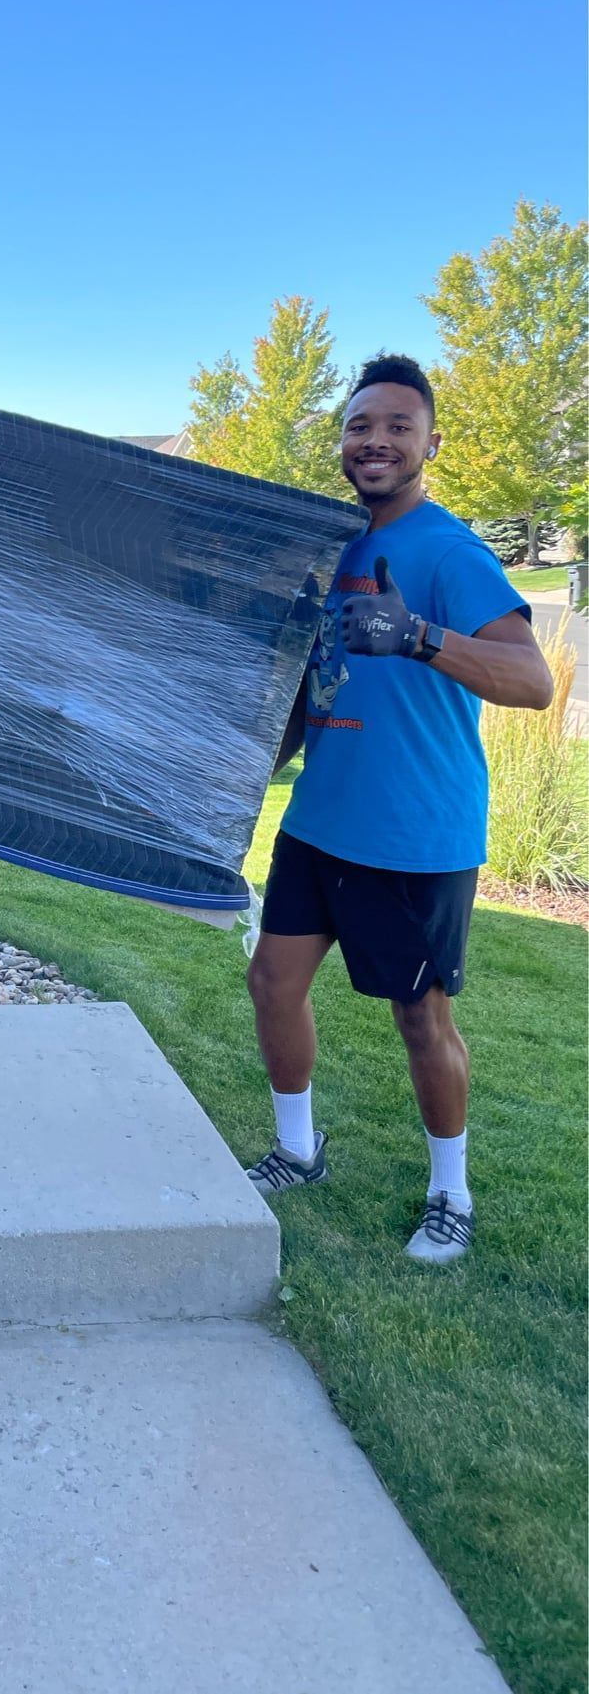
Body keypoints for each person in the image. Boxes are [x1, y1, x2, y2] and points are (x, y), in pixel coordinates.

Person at [245, 352, 552, 1262]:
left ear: (429, 442)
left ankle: (450, 1194)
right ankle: (297, 1149)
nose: (373, 441)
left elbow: (532, 682)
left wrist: (418, 635)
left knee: (420, 1019)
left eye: (395, 427)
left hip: (414, 833)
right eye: (358, 426)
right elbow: (314, 685)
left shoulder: (449, 551)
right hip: (318, 821)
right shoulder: (333, 547)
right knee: (270, 983)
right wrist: (250, 766)